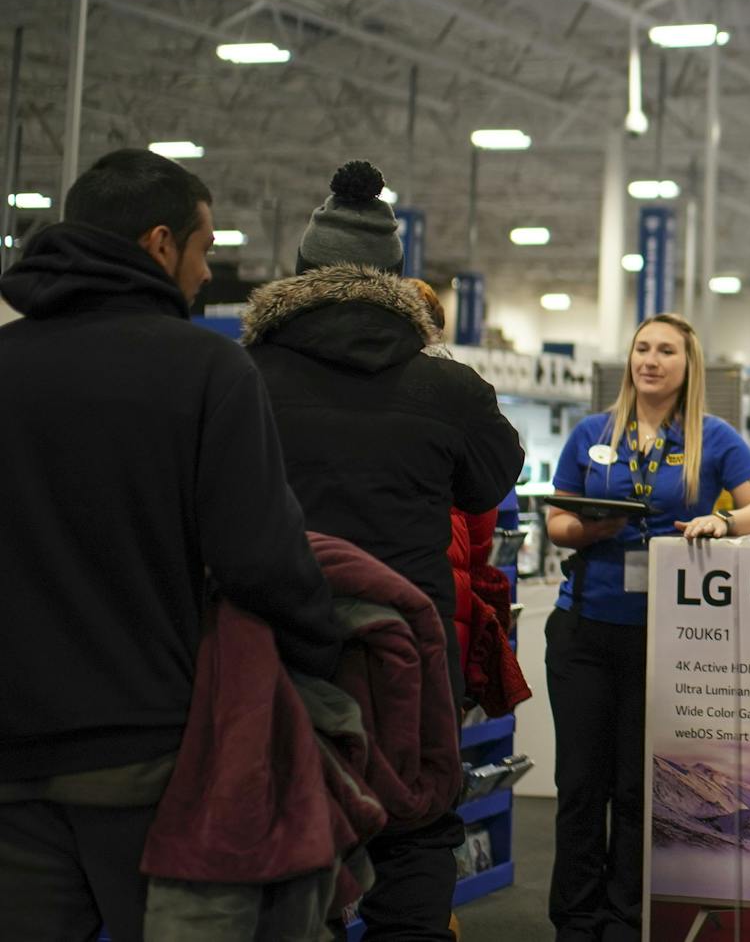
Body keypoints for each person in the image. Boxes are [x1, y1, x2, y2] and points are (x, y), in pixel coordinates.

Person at [0, 149, 342, 941]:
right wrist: (321, 650)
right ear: (161, 244)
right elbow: (259, 554)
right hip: (147, 753)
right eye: (203, 251)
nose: (203, 274)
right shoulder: (205, 370)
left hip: (10, 756)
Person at [242, 159, 524, 941]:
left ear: (301, 271)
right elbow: (491, 480)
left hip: (272, 640)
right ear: (396, 275)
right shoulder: (447, 387)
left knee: (276, 825)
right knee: (415, 823)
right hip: (407, 644)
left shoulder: (240, 376)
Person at [544, 312, 750, 942]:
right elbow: (557, 522)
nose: (650, 360)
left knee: (636, 787)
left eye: (666, 351)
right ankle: (575, 920)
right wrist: (590, 526)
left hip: (664, 637)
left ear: (687, 365)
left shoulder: (713, 437)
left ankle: (626, 919)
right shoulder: (593, 432)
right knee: (578, 784)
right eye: (642, 348)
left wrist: (724, 522)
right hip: (585, 628)